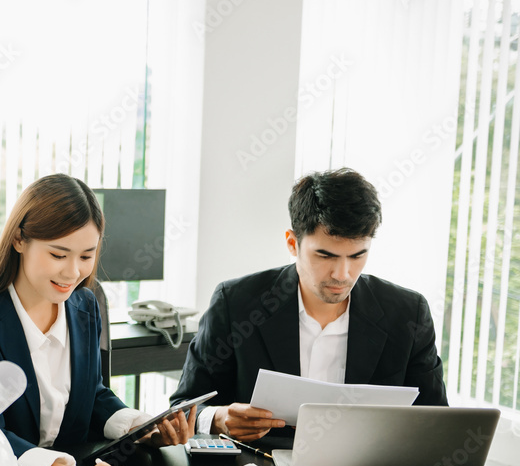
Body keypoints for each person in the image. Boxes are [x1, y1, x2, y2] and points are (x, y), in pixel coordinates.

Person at [0, 173, 194, 466]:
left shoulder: (85, 304)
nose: (73, 273)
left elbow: (92, 393)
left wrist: (139, 426)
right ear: (19, 240)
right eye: (59, 255)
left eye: (86, 256)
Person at [171, 167, 448, 442]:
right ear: (293, 243)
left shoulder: (407, 313)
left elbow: (437, 422)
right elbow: (182, 408)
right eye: (325, 256)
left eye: (357, 256)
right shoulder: (236, 303)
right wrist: (219, 419)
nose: (342, 274)